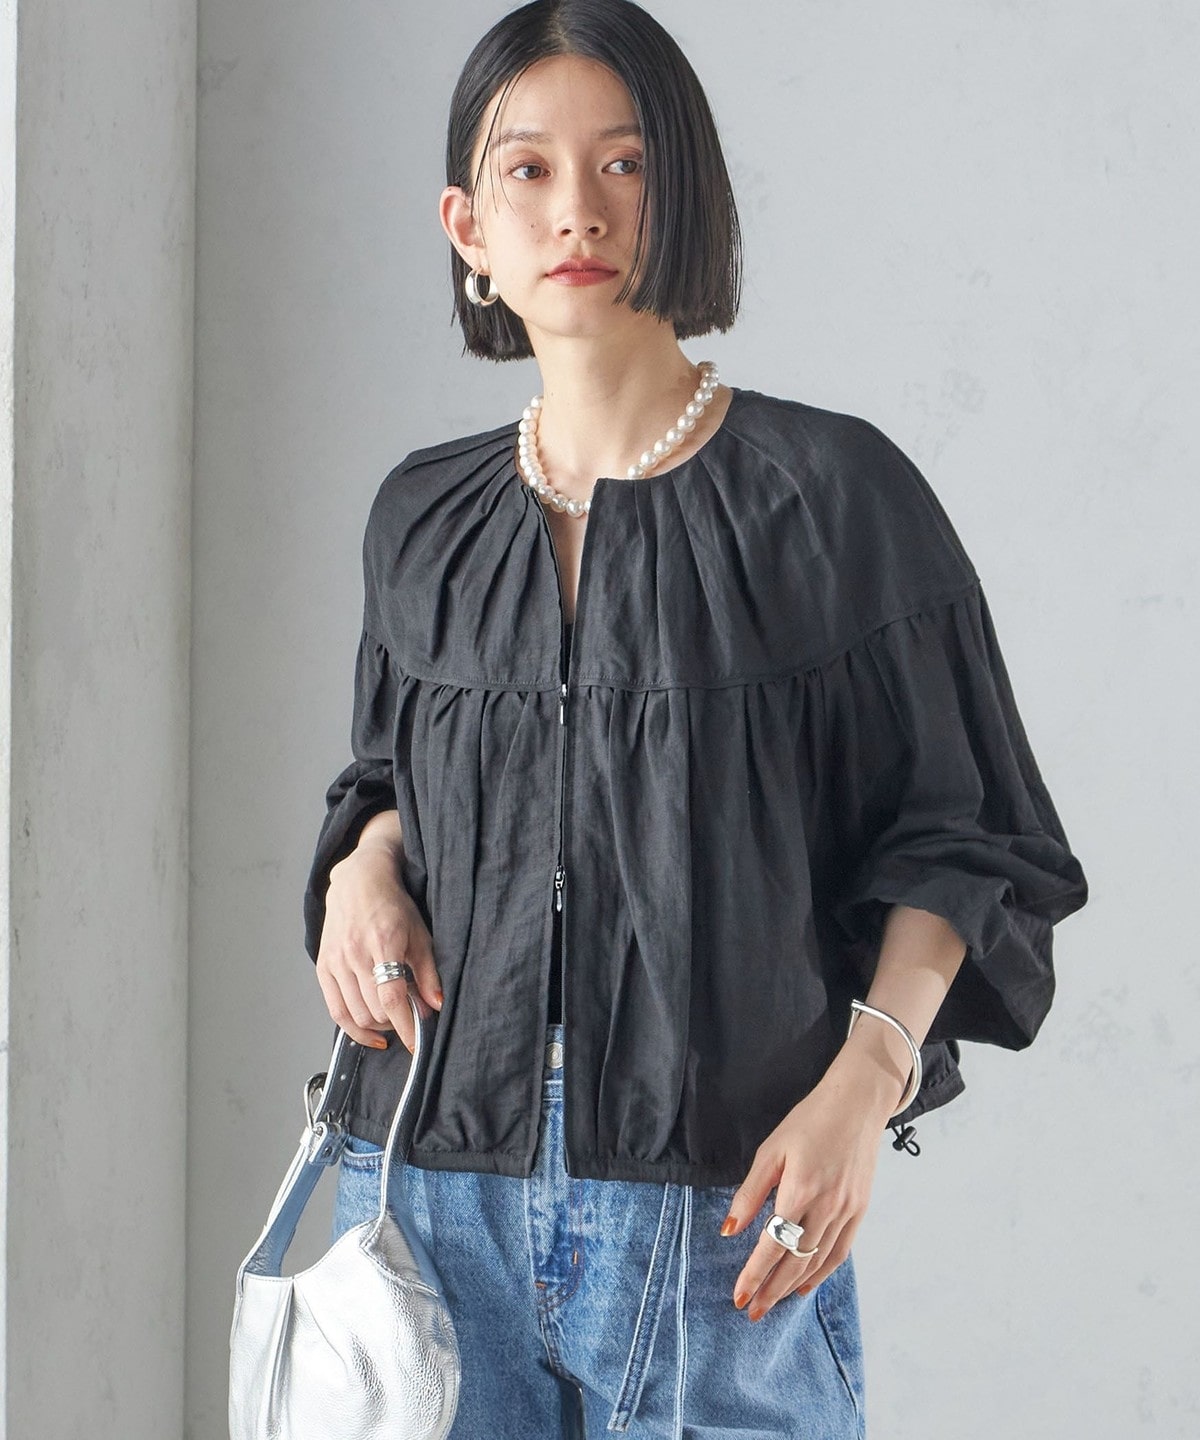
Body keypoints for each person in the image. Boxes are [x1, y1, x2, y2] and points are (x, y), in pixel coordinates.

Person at [302, 2, 1088, 1435]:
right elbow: (394, 771)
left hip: (716, 1209)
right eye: (529, 170)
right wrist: (365, 861)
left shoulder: (832, 497)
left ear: (686, 198)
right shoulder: (422, 515)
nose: (578, 209)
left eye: (625, 163)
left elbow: (966, 834)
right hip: (423, 1185)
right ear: (467, 226)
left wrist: (865, 1086)